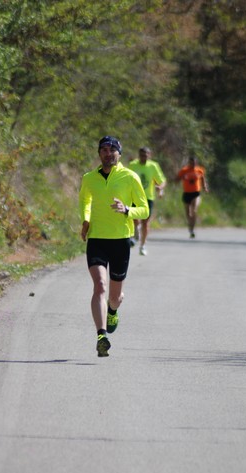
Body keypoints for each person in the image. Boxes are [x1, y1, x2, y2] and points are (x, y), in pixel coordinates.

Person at [79, 136, 149, 357]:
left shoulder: (130, 177)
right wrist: (86, 219)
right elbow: (85, 201)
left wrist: (128, 210)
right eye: (104, 150)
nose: (108, 153)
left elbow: (145, 209)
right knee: (99, 285)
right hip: (97, 239)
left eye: (112, 150)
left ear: (119, 153)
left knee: (115, 297)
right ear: (99, 154)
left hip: (120, 241)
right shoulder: (89, 178)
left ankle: (113, 311)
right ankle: (101, 336)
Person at [128, 147, 166, 255]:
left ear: (150, 155)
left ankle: (143, 245)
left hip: (148, 198)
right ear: (139, 155)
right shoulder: (133, 165)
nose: (144, 157)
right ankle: (136, 231)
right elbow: (126, 178)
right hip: (134, 196)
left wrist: (160, 188)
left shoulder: (153, 166)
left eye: (146, 155)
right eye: (142, 155)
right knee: (134, 219)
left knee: (145, 222)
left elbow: (162, 180)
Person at [175, 156, 209, 238]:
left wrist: (205, 187)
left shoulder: (200, 170)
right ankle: (190, 226)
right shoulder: (184, 170)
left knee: (194, 210)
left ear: (196, 163)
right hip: (186, 193)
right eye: (191, 162)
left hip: (196, 193)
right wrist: (179, 179)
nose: (192, 164)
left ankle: (192, 229)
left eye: (194, 162)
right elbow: (177, 179)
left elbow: (203, 178)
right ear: (189, 163)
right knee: (188, 213)